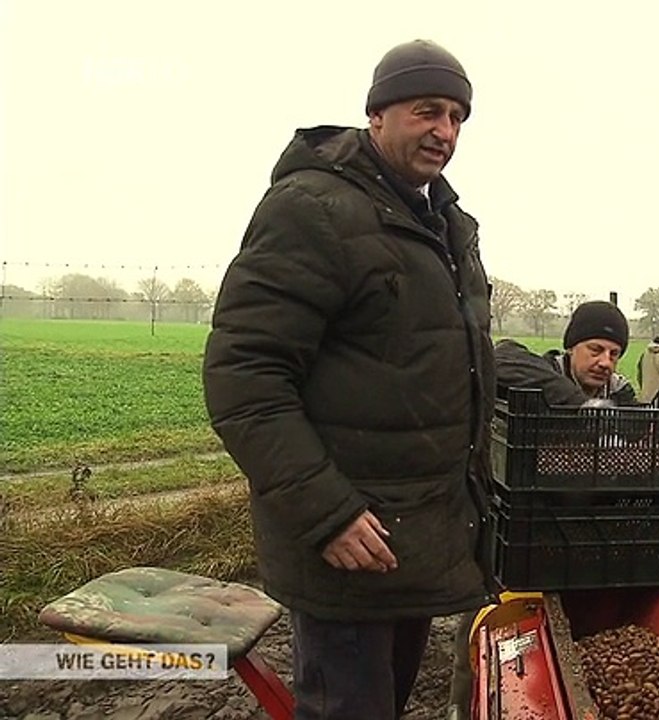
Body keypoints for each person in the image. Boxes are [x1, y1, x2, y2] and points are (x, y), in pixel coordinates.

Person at [202, 39, 496, 720]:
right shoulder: (314, 209)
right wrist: (326, 513)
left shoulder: (447, 226)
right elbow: (243, 374)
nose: (444, 132)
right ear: (375, 115)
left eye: (457, 116)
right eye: (427, 111)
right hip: (347, 544)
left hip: (415, 540)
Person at [495, 300, 638, 405]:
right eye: (595, 350)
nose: (605, 362)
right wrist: (579, 403)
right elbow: (500, 357)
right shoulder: (547, 370)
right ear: (571, 348)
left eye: (614, 354)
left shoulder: (618, 390)